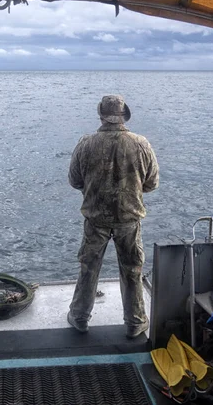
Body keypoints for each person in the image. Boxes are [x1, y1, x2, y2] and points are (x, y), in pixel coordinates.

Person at [67, 95, 159, 339]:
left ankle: (79, 317)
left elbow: (74, 180)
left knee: (89, 268)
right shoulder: (141, 144)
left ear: (101, 115)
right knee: (132, 269)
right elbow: (151, 183)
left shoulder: (86, 144)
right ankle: (135, 322)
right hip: (129, 220)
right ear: (123, 116)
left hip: (95, 220)